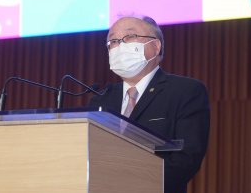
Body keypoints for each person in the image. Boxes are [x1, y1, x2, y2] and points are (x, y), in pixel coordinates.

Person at [89, 16, 210, 193]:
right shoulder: (100, 99)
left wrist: (127, 185)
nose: (121, 45)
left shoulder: (186, 91)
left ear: (155, 46)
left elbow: (186, 159)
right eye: (113, 41)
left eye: (129, 37)